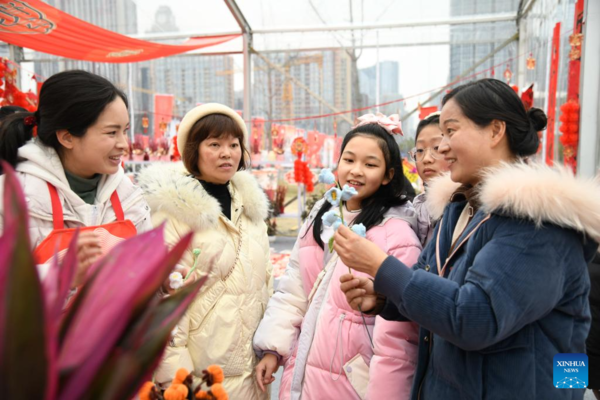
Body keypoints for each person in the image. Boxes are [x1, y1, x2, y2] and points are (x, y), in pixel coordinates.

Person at [336, 78, 600, 400]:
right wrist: (385, 298)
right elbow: (433, 287)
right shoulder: (460, 208)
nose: (442, 147)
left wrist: (381, 266)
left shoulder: (537, 225)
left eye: (451, 131)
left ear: (495, 131)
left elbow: (474, 317)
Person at [253, 117, 423, 400]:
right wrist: (274, 348)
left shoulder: (398, 234)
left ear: (388, 175)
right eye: (349, 160)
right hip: (305, 372)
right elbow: (294, 290)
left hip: (353, 385)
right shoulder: (322, 217)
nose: (356, 171)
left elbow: (399, 339)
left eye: (370, 164)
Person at [137, 103, 272, 399]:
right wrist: (180, 382)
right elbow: (166, 306)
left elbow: (267, 283)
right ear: (193, 151)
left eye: (234, 144)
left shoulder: (249, 210)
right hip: (202, 374)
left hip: (253, 369)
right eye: (215, 144)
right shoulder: (173, 215)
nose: (227, 153)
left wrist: (271, 347)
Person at [0, 70, 152, 287]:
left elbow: (146, 261)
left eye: (125, 131)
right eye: (111, 133)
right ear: (67, 137)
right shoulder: (10, 198)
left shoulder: (128, 193)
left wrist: (163, 277)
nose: (123, 144)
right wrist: (58, 276)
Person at [408, 111, 450, 245]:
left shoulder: (468, 207)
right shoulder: (414, 209)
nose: (426, 159)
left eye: (436, 148)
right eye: (420, 150)